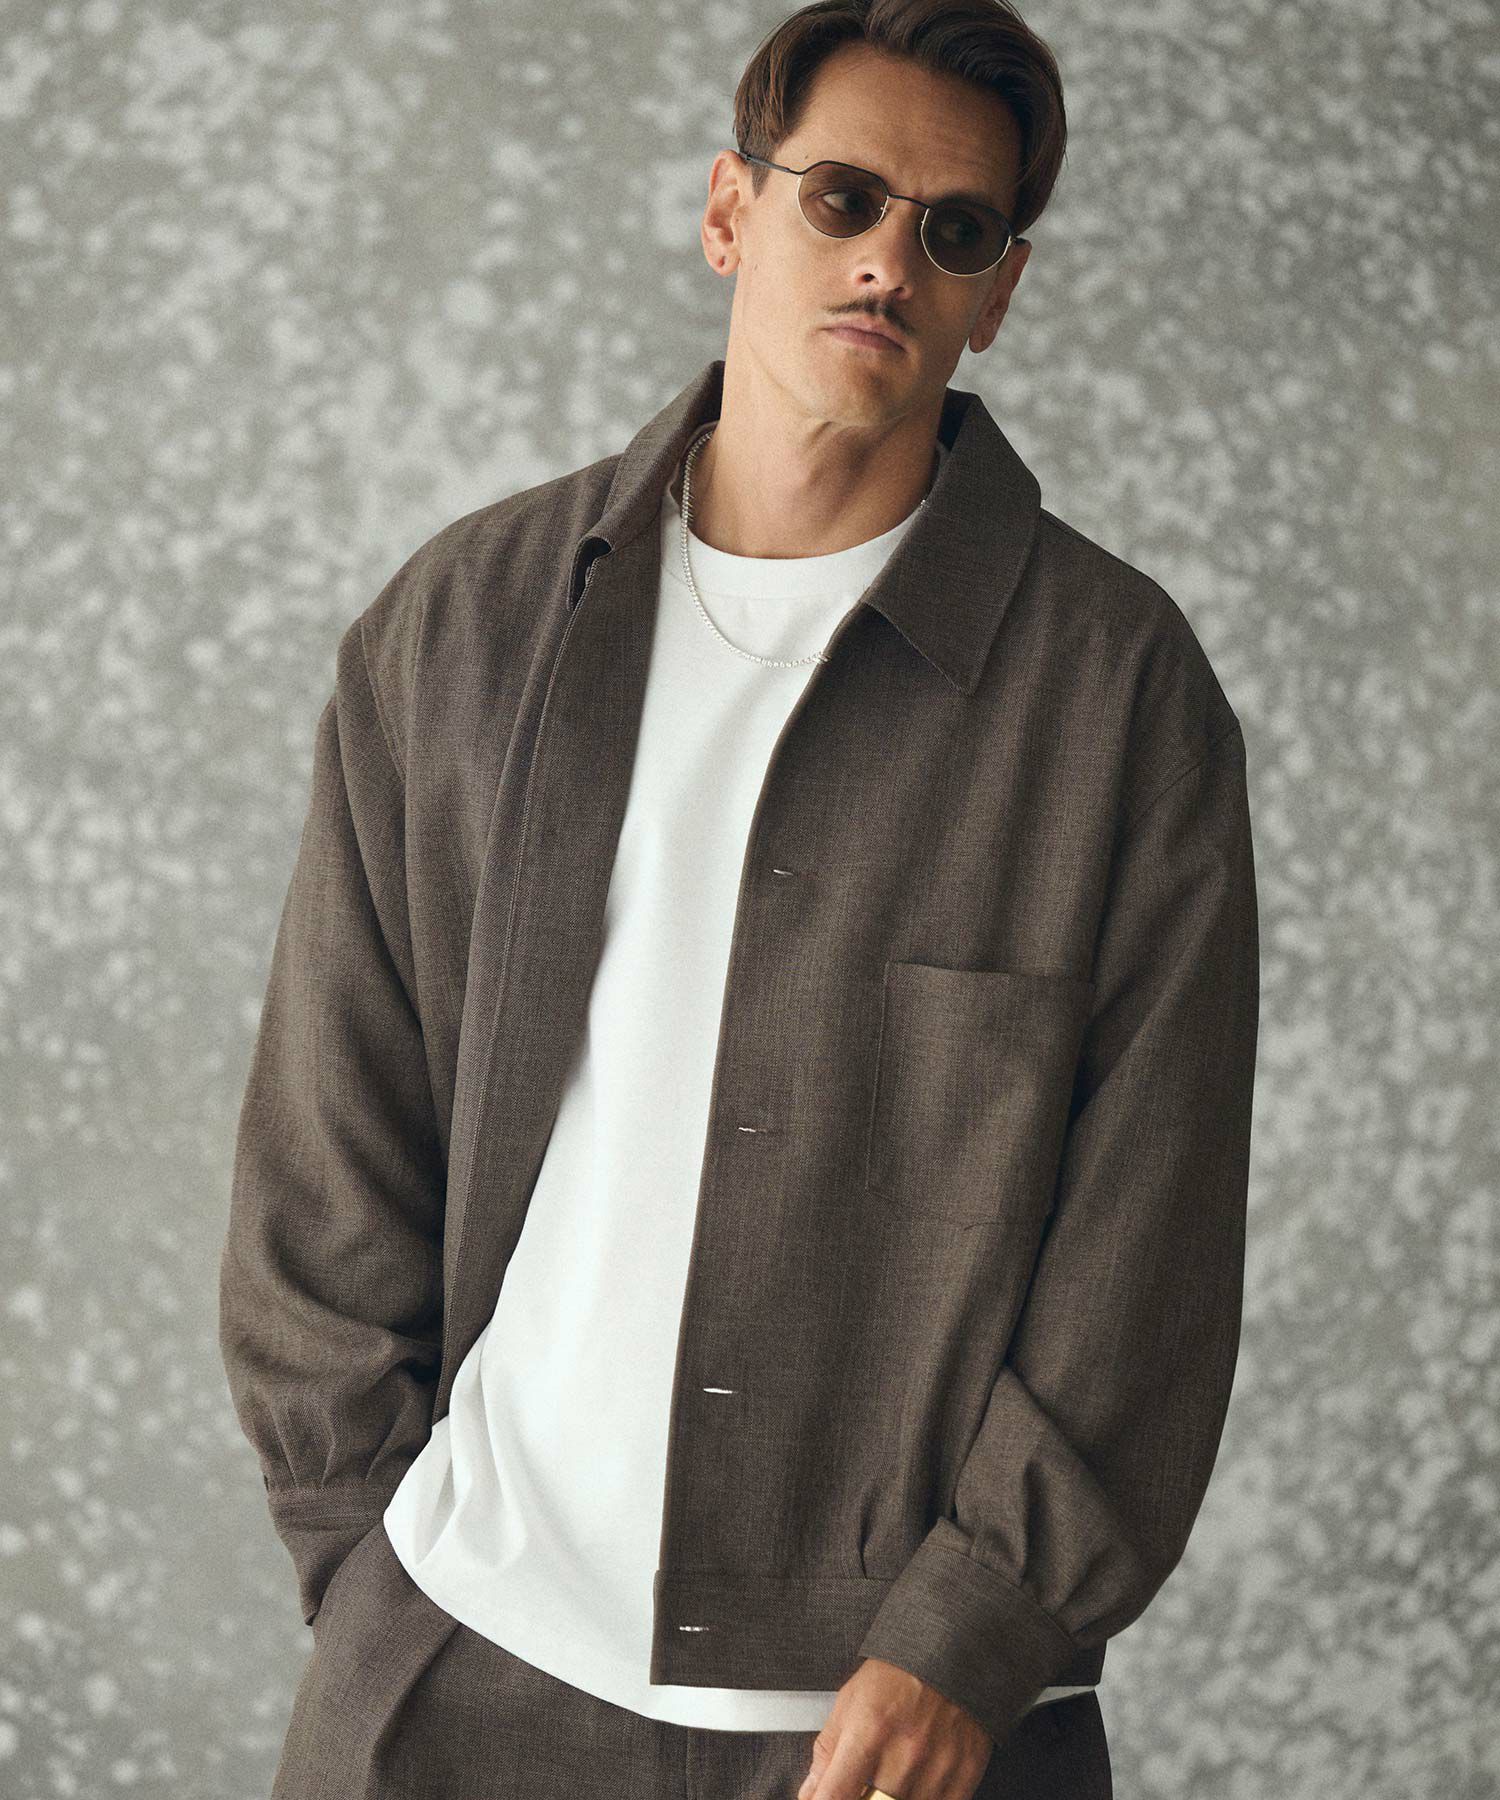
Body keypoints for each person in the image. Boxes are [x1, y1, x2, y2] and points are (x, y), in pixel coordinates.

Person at [218, 2, 1260, 1796]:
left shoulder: (1116, 699)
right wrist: (372, 1570)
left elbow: (1147, 1250)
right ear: (730, 212)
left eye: (955, 229)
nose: (887, 262)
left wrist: (976, 1634)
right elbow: (329, 1146)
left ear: (999, 291)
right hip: (459, 1688)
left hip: (892, 1740)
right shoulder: (465, 629)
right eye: (842, 197)